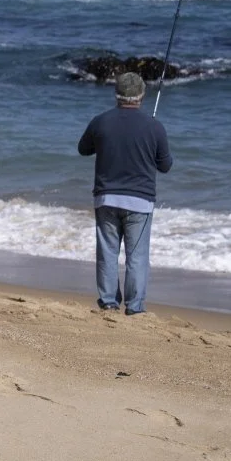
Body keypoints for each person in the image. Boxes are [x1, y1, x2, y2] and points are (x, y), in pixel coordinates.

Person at [77, 72, 172, 315]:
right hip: (140, 202)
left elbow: (83, 149)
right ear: (141, 95)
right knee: (136, 256)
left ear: (116, 94)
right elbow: (165, 165)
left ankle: (109, 302)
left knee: (108, 252)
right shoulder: (154, 127)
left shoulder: (100, 121)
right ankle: (135, 306)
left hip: (106, 198)